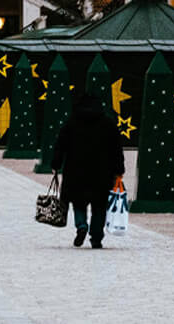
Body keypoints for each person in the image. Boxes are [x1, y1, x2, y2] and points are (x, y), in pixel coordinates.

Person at [53, 92, 125, 249]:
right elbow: (116, 149)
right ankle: (96, 236)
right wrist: (119, 169)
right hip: (102, 172)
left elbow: (60, 145)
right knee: (99, 206)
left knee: (78, 202)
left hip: (76, 170)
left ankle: (81, 225)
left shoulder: (72, 122)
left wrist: (55, 164)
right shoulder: (108, 123)